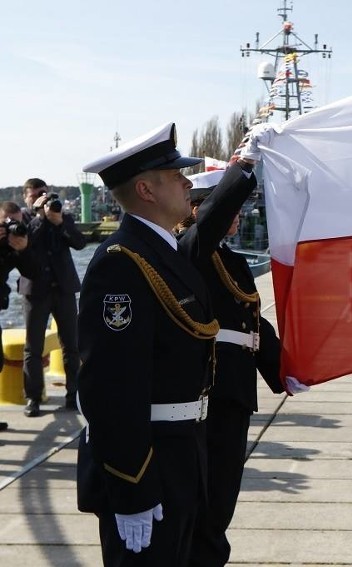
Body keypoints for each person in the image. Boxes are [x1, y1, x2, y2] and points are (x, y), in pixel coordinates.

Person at [76, 122, 230, 566]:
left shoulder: (164, 254)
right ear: (145, 189)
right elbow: (111, 388)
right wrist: (132, 488)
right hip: (149, 466)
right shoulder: (121, 264)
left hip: (185, 452)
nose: (188, 182)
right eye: (176, 176)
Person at [176, 168, 285, 567]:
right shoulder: (186, 250)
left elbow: (254, 325)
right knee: (202, 506)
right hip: (205, 394)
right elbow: (208, 227)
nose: (237, 216)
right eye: (232, 208)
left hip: (234, 395)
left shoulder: (233, 262)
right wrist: (243, 171)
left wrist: (287, 371)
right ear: (197, 210)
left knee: (222, 500)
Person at [17, 181, 86, 417]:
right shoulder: (24, 220)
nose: (41, 198)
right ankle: (33, 398)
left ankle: (73, 394)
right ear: (26, 197)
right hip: (35, 290)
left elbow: (79, 243)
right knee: (33, 347)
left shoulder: (60, 215)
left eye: (43, 193)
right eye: (35, 195)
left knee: (72, 346)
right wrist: (39, 217)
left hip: (64, 288)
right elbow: (26, 244)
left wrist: (57, 222)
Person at [0, 202, 38, 431]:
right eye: (7, 221)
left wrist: (23, 249)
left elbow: (32, 272)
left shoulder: (12, 243)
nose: (13, 226)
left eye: (17, 221)